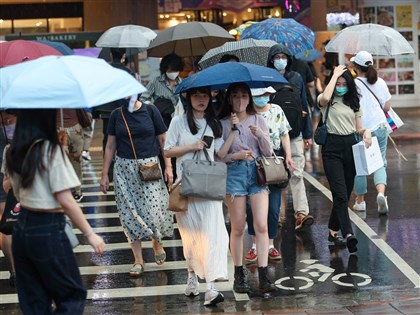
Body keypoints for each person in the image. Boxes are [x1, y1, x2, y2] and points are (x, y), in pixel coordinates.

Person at [6, 109, 105, 314]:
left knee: (34, 300)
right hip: (47, 227)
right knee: (71, 295)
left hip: (22, 228)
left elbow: (9, 187)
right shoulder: (50, 150)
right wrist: (90, 233)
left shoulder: (12, 150)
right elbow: (66, 200)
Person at [164, 86, 229, 306]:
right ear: (187, 97)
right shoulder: (178, 122)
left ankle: (211, 287)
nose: (201, 99)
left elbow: (219, 154)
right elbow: (167, 151)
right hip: (187, 188)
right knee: (191, 236)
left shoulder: (214, 123)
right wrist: (190, 146)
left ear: (211, 97)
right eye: (195, 95)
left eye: (204, 95)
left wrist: (236, 132)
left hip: (209, 187)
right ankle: (192, 276)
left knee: (213, 235)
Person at [100, 96, 174, 277]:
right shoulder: (117, 114)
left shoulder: (150, 110)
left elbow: (163, 140)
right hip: (123, 169)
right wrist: (104, 174)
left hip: (149, 165)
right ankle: (138, 259)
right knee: (128, 214)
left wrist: (169, 166)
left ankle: (156, 240)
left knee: (154, 210)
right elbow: (110, 145)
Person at [217, 82, 276, 293]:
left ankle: (263, 275)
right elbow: (219, 157)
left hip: (257, 173)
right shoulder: (223, 123)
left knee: (261, 225)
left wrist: (260, 135)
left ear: (249, 98)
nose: (240, 100)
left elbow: (268, 153)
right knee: (239, 227)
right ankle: (238, 274)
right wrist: (236, 152)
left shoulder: (259, 119)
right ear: (229, 99)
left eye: (243, 95)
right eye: (235, 96)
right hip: (234, 174)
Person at [317, 65, 372, 253]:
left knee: (344, 194)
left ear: (349, 84)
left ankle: (332, 232)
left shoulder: (354, 102)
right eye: (338, 83)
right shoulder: (326, 100)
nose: (340, 86)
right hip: (331, 148)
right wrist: (334, 75)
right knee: (339, 194)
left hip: (350, 147)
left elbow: (359, 127)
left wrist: (367, 133)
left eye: (343, 83)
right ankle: (348, 234)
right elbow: (324, 97)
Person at [244, 87, 295, 264]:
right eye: (257, 95)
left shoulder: (276, 110)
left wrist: (288, 156)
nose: (261, 98)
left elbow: (284, 134)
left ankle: (271, 244)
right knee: (251, 209)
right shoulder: (246, 112)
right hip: (252, 164)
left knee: (273, 209)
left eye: (264, 95)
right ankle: (255, 246)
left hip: (273, 163)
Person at [267, 44, 314, 231]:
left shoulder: (297, 78)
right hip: (272, 137)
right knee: (276, 176)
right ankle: (277, 214)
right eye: (277, 56)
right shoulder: (265, 78)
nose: (280, 60)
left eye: (283, 56)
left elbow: (304, 106)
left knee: (297, 173)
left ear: (288, 59)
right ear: (271, 59)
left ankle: (301, 213)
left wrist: (308, 134)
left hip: (294, 134)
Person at [350, 51, 392, 215]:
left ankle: (360, 202)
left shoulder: (353, 84)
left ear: (355, 67)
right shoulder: (380, 82)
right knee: (380, 162)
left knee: (360, 166)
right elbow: (387, 106)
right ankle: (381, 194)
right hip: (380, 126)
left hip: (361, 129)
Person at [140, 53, 184, 128]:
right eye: (170, 70)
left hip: (179, 121)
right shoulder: (156, 81)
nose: (173, 73)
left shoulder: (182, 83)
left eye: (175, 70)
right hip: (161, 120)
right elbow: (143, 98)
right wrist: (152, 107)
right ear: (165, 69)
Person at [56, 109, 88, 202]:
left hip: (72, 127)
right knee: (63, 161)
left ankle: (76, 190)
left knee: (75, 160)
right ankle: (68, 190)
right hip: (62, 128)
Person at [0, 111, 16, 286]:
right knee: (16, 217)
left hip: (5, 175)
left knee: (6, 219)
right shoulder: (20, 113)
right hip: (14, 172)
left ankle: (13, 271)